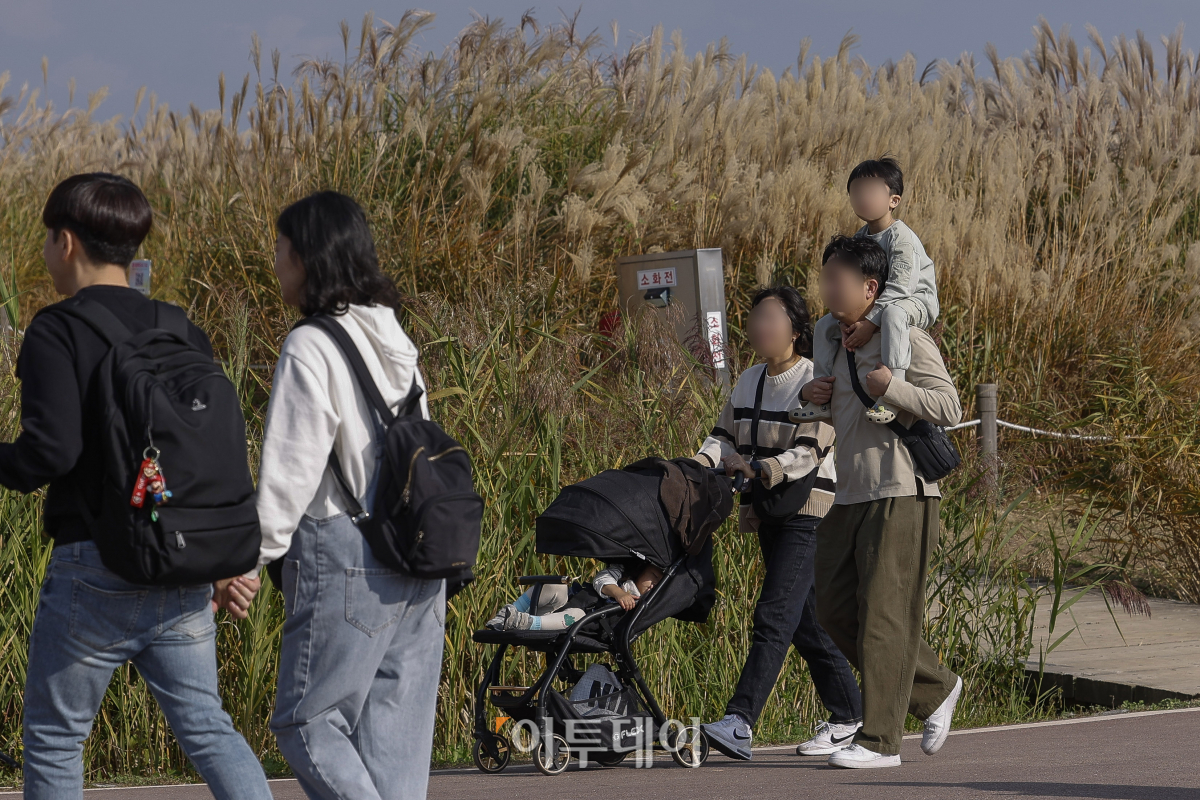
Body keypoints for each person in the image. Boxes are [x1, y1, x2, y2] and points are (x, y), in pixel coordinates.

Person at [0, 173, 271, 799]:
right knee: (208, 729)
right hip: (180, 569)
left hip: (92, 568)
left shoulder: (56, 330)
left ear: (66, 243)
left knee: (57, 737)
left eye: (47, 239)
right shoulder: (179, 328)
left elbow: (50, 451)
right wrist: (222, 561)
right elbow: (212, 457)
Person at [238, 190, 445, 800]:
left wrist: (248, 560)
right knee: (395, 749)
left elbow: (289, 472)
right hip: (418, 554)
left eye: (281, 249)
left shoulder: (311, 344)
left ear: (308, 257)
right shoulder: (395, 338)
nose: (275, 262)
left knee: (305, 721)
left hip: (345, 549)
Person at [802, 234, 963, 769]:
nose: (827, 287)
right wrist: (816, 400)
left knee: (884, 617)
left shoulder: (906, 337)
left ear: (871, 288)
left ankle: (879, 741)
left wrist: (891, 386)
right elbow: (842, 421)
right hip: (849, 492)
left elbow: (948, 405)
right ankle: (934, 689)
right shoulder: (834, 342)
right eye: (824, 277)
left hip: (902, 491)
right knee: (833, 609)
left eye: (837, 279)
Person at [692, 286, 863, 762]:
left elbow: (812, 449)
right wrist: (699, 463)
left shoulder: (816, 377)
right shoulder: (748, 379)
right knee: (806, 623)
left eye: (772, 317)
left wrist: (763, 469)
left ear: (796, 329)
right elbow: (723, 435)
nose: (760, 327)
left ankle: (740, 721)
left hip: (808, 512)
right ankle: (851, 715)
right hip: (767, 510)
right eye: (755, 318)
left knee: (773, 614)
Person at [797, 156, 939, 425]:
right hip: (879, 305)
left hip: (915, 301)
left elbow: (900, 287)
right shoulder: (860, 238)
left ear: (893, 200)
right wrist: (847, 319)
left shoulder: (901, 236)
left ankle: (891, 392)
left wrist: (868, 323)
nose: (863, 197)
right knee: (827, 323)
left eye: (871, 191)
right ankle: (822, 396)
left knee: (894, 315)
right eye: (856, 192)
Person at [486, 562, 664, 631]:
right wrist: (619, 593)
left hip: (575, 621)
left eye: (659, 583)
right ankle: (508, 614)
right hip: (561, 606)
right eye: (654, 577)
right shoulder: (622, 573)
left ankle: (526, 622)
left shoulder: (645, 605)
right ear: (641, 571)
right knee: (555, 586)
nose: (654, 584)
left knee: (577, 616)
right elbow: (601, 579)